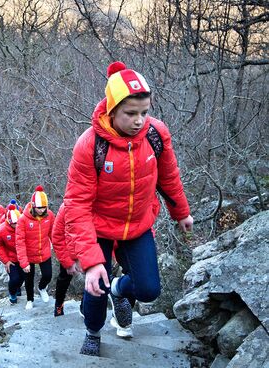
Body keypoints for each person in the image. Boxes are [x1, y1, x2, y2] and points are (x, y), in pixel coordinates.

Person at [63, 61, 193, 357]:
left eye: (144, 112)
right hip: (99, 226)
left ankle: (120, 290)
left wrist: (181, 212)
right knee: (96, 287)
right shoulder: (90, 145)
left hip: (138, 224)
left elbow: (169, 177)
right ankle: (93, 332)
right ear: (111, 110)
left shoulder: (155, 135)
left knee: (148, 290)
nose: (139, 120)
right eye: (130, 113)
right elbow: (76, 204)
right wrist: (92, 260)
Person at [15, 185, 55, 310]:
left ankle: (42, 287)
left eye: (44, 207)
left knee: (48, 275)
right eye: (39, 208)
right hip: (28, 253)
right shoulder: (23, 220)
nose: (41, 210)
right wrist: (24, 262)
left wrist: (59, 249)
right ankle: (30, 299)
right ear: (33, 205)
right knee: (28, 279)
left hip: (44, 250)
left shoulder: (49, 215)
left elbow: (53, 233)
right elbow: (19, 241)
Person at [51, 204, 83, 317]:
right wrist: (68, 263)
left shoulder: (98, 204)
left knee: (92, 281)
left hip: (89, 252)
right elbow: (57, 237)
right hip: (68, 253)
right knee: (63, 280)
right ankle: (59, 305)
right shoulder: (66, 207)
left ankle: (85, 306)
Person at [0, 204, 25, 304]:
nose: (17, 225)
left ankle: (17, 288)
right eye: (15, 224)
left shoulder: (24, 226)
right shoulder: (1, 230)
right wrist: (6, 261)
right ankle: (12, 292)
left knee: (22, 277)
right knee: (14, 278)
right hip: (11, 259)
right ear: (10, 222)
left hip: (23, 257)